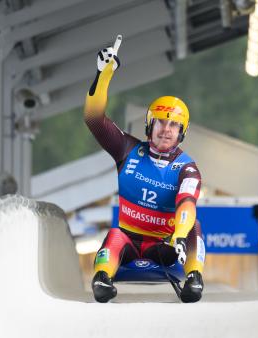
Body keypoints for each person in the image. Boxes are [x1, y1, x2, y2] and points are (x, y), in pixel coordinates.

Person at [84, 37, 205, 303]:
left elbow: (186, 204)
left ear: (182, 132)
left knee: (194, 225)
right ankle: (102, 279)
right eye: (160, 122)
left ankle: (194, 277)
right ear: (150, 125)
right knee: (114, 233)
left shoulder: (188, 168)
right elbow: (94, 119)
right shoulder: (127, 149)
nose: (166, 129)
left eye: (173, 125)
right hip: (127, 241)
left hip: (162, 246)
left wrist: (180, 237)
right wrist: (103, 75)